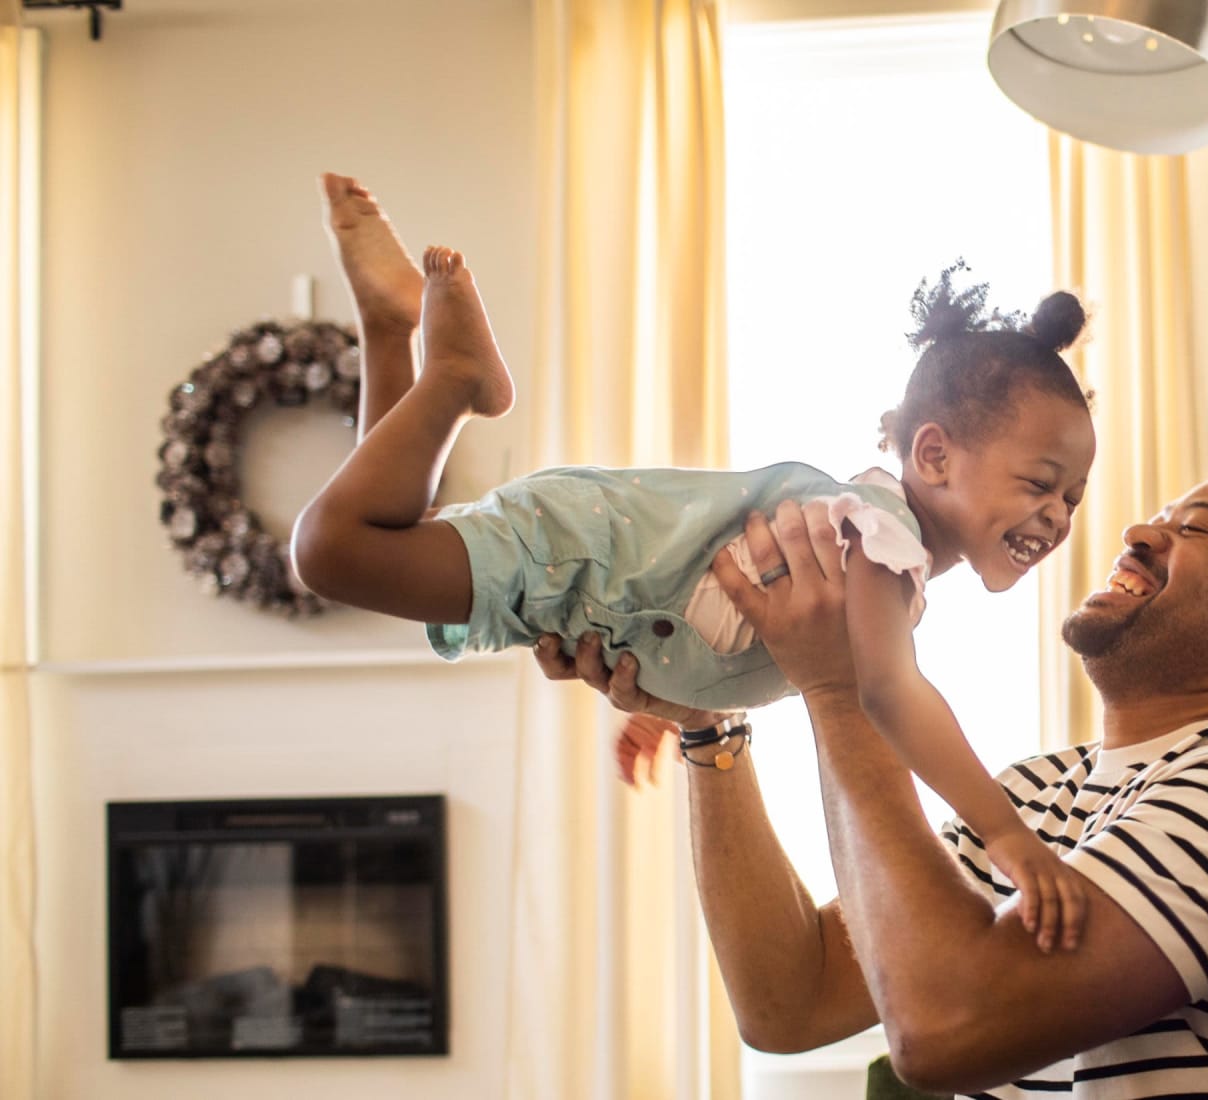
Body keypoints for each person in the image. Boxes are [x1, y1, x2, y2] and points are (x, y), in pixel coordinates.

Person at [293, 173, 1100, 946]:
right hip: (576, 559)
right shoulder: (880, 544)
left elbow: (713, 593)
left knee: (392, 531)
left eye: (1074, 496)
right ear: (934, 456)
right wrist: (1008, 838)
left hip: (582, 574)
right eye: (1040, 483)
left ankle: (388, 326)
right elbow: (891, 695)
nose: (1057, 515)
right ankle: (456, 375)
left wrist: (667, 701)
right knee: (332, 551)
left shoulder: (870, 535)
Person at [554, 440, 1208, 1097]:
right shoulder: (1046, 791)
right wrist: (712, 728)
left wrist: (841, 681)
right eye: (1159, 514)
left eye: (1194, 533)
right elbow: (789, 1001)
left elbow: (942, 1029)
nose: (1139, 532)